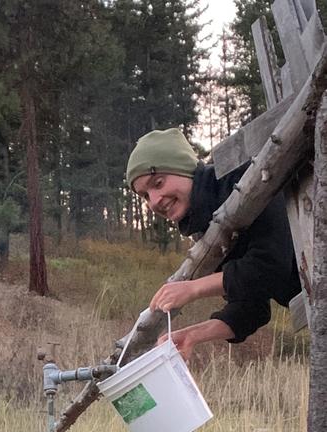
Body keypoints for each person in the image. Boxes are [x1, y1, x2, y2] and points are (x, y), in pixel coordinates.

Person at [126, 127, 301, 360]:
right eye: (145, 196)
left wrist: (193, 288)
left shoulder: (241, 179)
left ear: (184, 169)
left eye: (158, 183)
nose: (154, 201)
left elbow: (271, 266)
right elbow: (250, 309)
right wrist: (191, 335)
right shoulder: (207, 228)